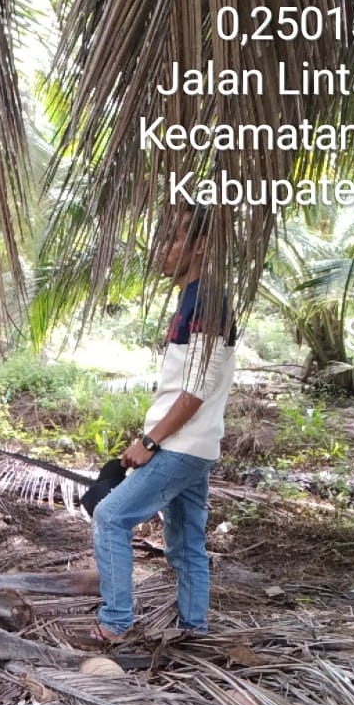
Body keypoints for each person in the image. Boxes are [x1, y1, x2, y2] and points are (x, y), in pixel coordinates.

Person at [90, 204, 237, 641]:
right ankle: (195, 628)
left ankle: (115, 623)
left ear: (202, 246)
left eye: (174, 238)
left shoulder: (207, 301)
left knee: (110, 517)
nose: (162, 249)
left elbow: (196, 389)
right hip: (194, 445)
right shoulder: (194, 299)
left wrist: (151, 442)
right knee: (187, 541)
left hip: (180, 445)